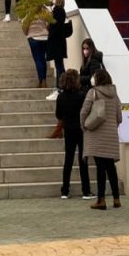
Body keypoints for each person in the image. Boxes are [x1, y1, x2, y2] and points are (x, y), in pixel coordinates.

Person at [80, 69, 123, 210]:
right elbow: (119, 116)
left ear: (97, 79)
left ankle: (101, 199)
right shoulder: (114, 94)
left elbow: (84, 112)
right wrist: (112, 126)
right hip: (111, 134)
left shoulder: (93, 92)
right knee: (111, 166)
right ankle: (116, 198)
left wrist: (84, 126)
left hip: (97, 134)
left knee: (100, 167)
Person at [55, 69, 93, 200]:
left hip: (69, 130)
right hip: (81, 130)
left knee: (68, 160)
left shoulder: (60, 97)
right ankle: (86, 191)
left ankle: (65, 190)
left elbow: (58, 115)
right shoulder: (82, 95)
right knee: (83, 160)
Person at [45, 0, 69, 101]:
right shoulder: (59, 10)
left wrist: (50, 34)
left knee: (59, 66)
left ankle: (60, 88)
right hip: (58, 41)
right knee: (59, 65)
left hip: (57, 41)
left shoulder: (58, 10)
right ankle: (60, 87)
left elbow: (56, 26)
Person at [22, 5, 51, 89]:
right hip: (44, 37)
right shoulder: (45, 11)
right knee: (43, 59)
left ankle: (41, 81)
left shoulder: (30, 12)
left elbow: (25, 25)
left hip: (33, 37)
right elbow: (50, 23)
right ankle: (44, 81)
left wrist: (27, 33)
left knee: (37, 60)